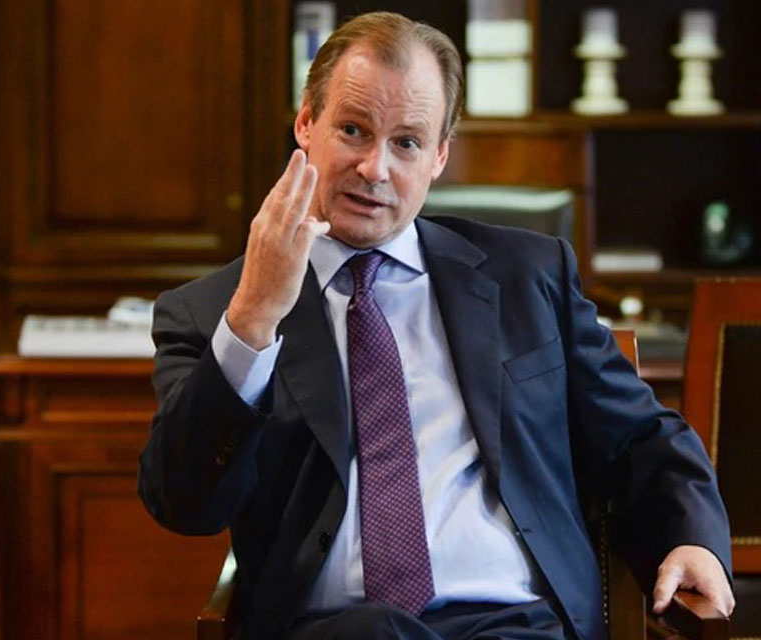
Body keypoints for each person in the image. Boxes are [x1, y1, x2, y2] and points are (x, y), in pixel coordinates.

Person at [138, 11, 734, 640]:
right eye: (353, 130)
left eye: (407, 143)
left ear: (440, 155)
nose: (375, 168)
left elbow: (641, 436)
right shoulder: (212, 312)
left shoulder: (526, 276)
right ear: (306, 123)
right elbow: (185, 504)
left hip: (516, 624)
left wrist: (691, 539)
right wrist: (254, 318)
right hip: (340, 630)